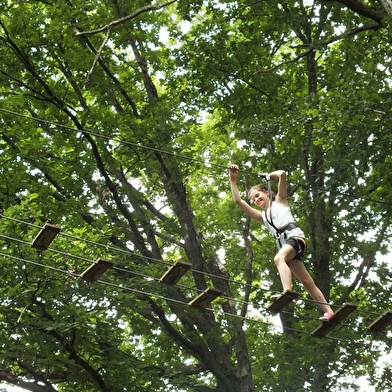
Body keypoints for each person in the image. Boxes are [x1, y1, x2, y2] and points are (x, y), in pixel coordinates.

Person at [228, 164, 334, 321]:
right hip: (284, 244)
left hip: (294, 236)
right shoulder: (262, 217)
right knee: (306, 281)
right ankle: (329, 312)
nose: (256, 200)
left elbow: (283, 174)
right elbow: (237, 201)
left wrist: (271, 175)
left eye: (258, 195)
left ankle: (287, 292)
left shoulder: (280, 200)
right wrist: (232, 177)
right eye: (253, 199)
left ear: (267, 192)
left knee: (278, 259)